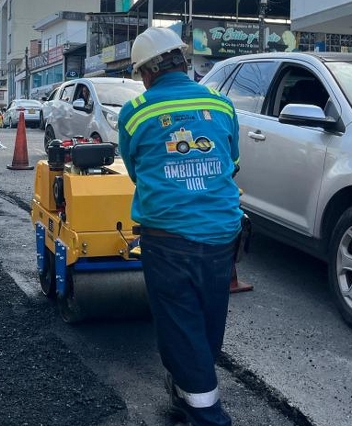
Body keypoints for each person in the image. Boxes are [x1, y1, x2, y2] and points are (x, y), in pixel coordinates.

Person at [118, 27, 243, 426]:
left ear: (146, 73)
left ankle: (206, 413)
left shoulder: (136, 111)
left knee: (178, 323)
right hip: (224, 232)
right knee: (208, 317)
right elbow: (232, 159)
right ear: (183, 61)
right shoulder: (222, 106)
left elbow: (136, 171)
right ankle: (190, 385)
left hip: (168, 238)